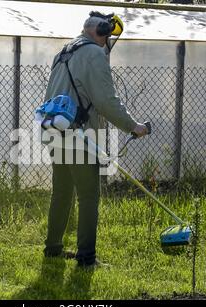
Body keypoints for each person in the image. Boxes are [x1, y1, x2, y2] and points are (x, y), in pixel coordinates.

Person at [42, 11, 149, 268]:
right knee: (89, 196)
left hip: (56, 132)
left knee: (62, 193)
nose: (108, 42)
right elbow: (106, 101)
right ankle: (87, 258)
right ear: (100, 31)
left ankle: (53, 249)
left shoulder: (64, 53)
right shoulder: (94, 54)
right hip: (81, 136)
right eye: (108, 36)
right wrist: (132, 126)